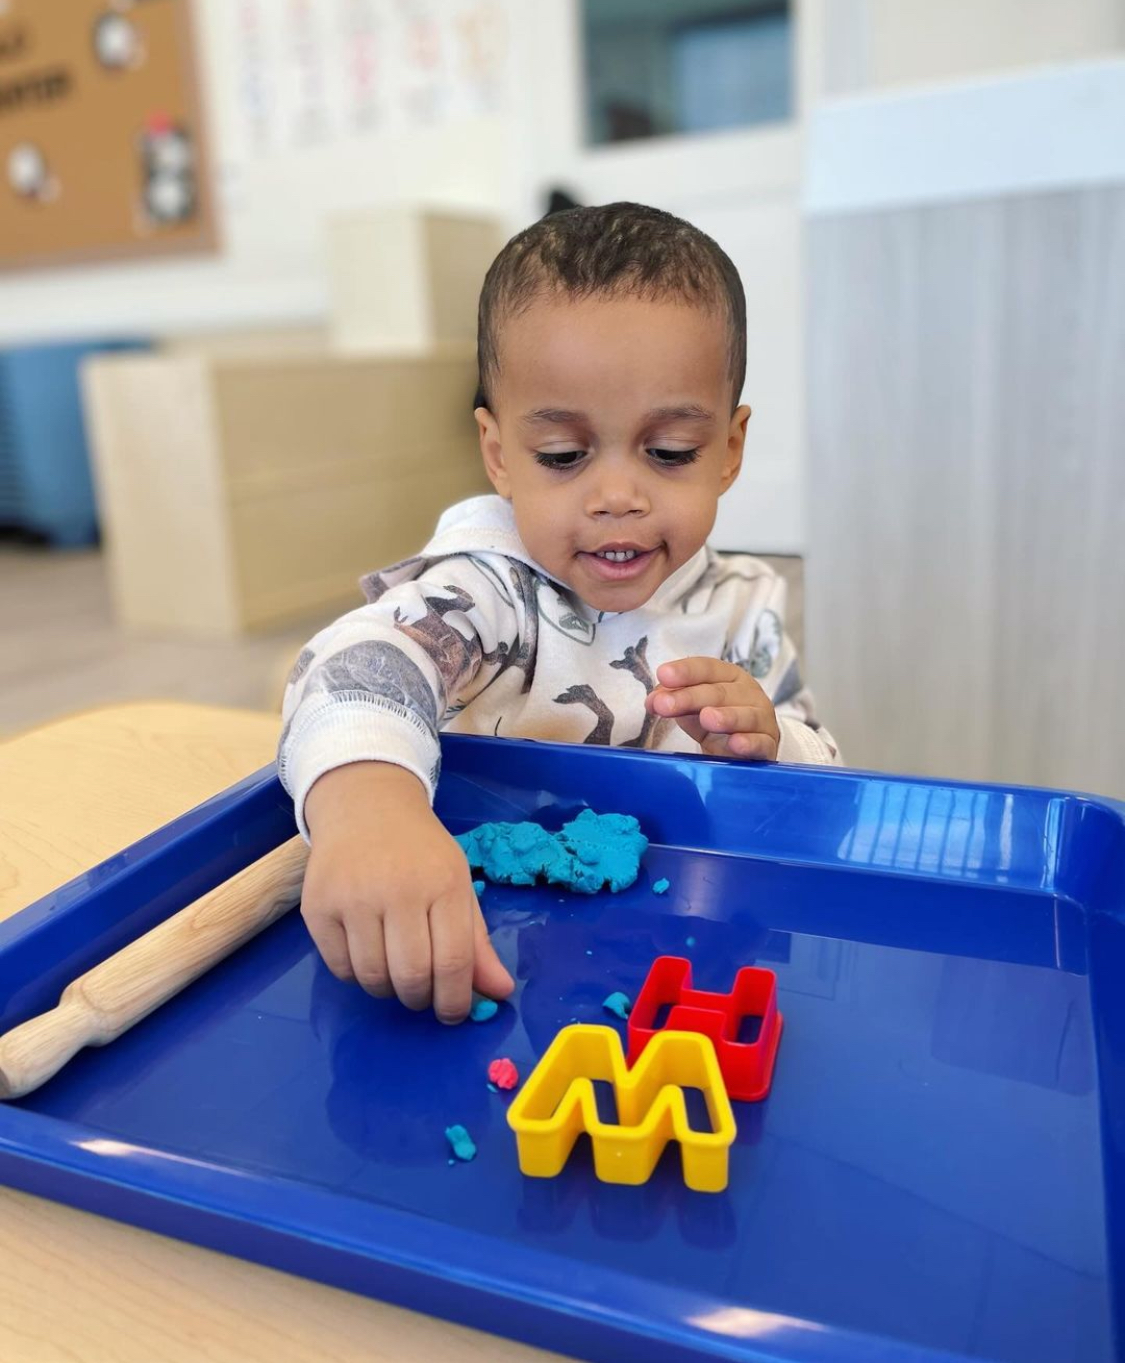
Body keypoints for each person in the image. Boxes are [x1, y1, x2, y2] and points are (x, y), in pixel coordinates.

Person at [279, 202, 839, 1025]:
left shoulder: (742, 607)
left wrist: (773, 743)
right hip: (489, 943)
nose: (616, 495)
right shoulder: (490, 590)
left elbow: (827, 789)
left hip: (680, 955)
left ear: (727, 449)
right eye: (564, 456)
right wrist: (367, 809)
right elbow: (352, 667)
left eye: (669, 452)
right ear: (501, 455)